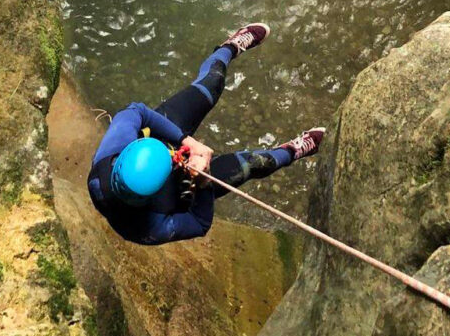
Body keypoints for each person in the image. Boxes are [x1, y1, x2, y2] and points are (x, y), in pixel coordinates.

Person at [86, 23, 325, 245]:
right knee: (255, 164)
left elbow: (137, 111)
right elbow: (199, 224)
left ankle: (230, 47)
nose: (174, 158)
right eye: (171, 162)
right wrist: (203, 181)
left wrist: (185, 140)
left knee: (212, 84)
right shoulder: (148, 228)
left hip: (156, 140)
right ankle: (292, 151)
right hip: (189, 188)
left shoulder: (109, 156)